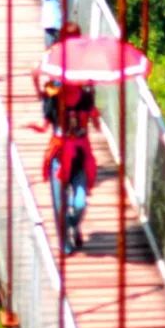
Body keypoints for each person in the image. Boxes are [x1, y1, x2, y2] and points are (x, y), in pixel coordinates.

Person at [39, 73, 100, 255]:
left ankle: (73, 224)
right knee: (60, 206)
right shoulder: (53, 97)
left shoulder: (86, 97)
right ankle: (65, 242)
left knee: (79, 203)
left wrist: (94, 115)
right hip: (59, 157)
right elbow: (44, 125)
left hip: (80, 157)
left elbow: (95, 123)